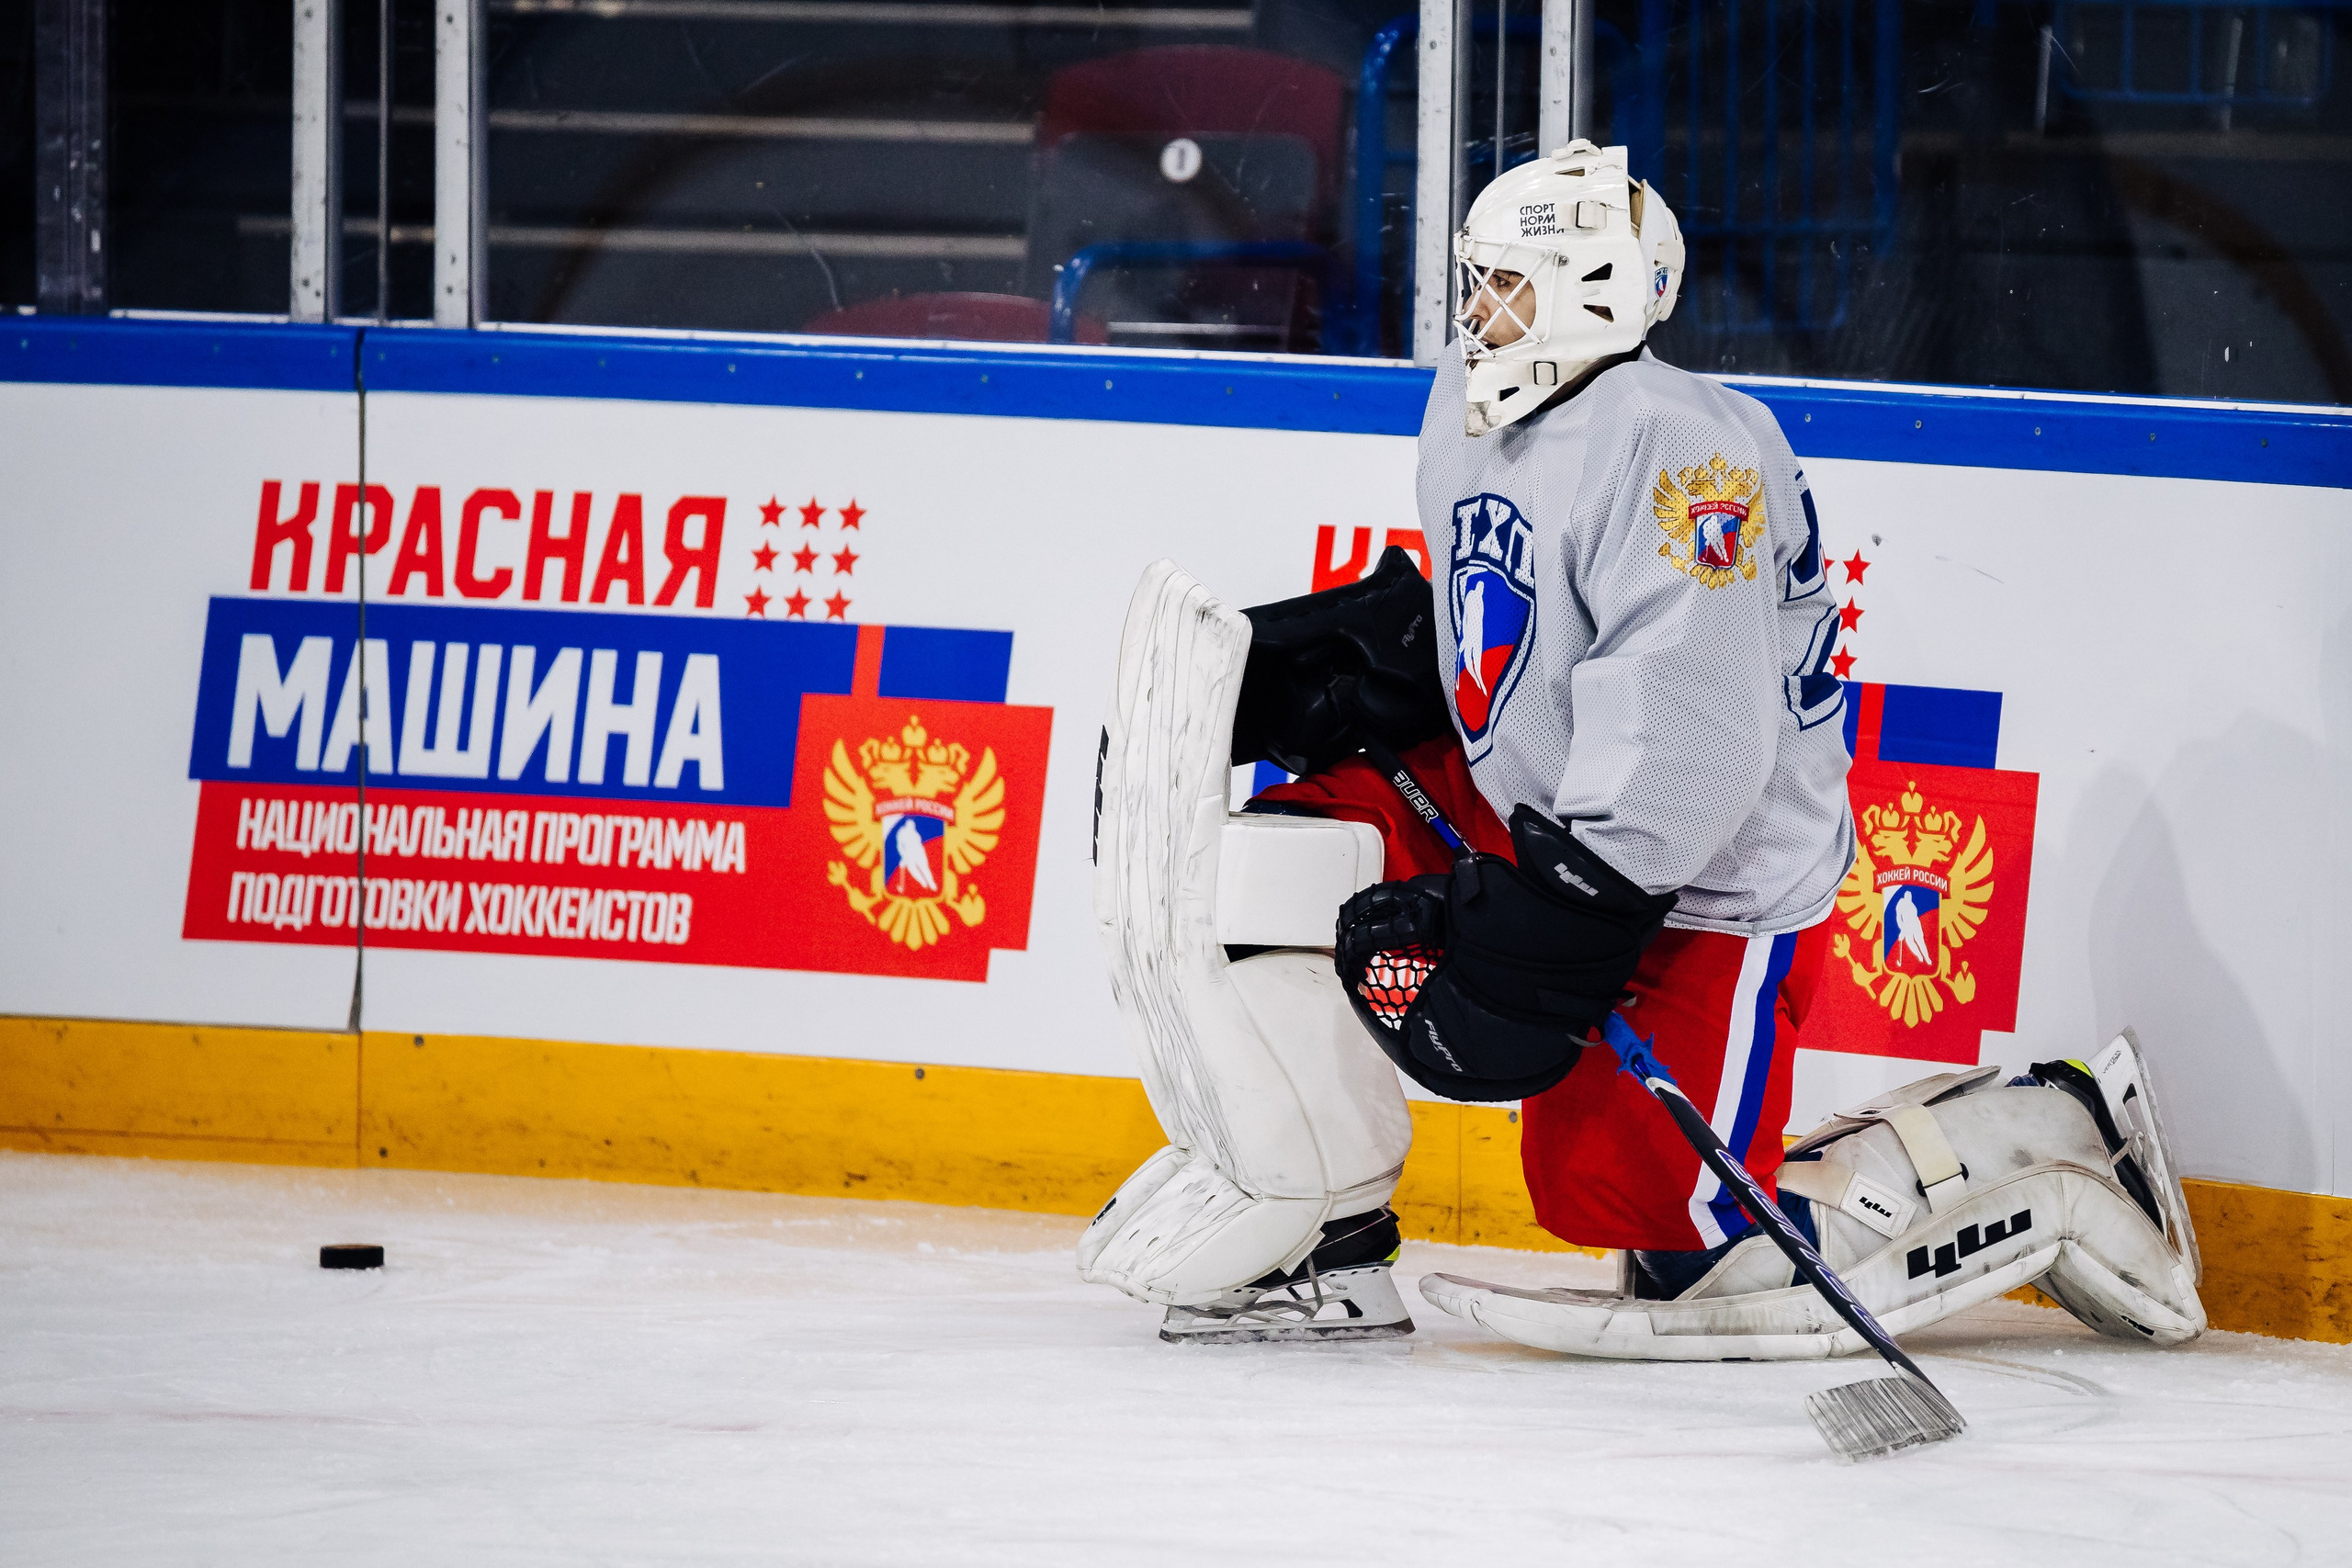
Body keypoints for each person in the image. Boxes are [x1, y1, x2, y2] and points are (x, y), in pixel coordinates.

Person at [1078, 143, 2204, 1359]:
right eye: (1475, 279)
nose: (1476, 309)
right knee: (1281, 857)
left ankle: (2043, 1139)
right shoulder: (1473, 391)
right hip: (1541, 798)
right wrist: (1401, 666)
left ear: (1596, 296)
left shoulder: (1684, 451)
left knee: (1653, 1225)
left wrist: (1559, 919)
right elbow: (1520, 599)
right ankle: (1328, 1245)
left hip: (1696, 865)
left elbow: (1696, 735)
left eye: (1508, 283)